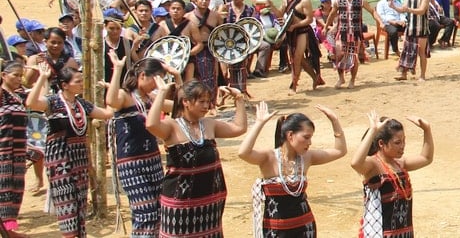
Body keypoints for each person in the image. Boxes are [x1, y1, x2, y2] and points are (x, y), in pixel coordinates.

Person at [146, 78, 247, 238]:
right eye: (201, 102)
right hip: (180, 205)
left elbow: (239, 128)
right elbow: (151, 124)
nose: (206, 106)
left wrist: (239, 99)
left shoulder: (208, 124)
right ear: (186, 102)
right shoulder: (172, 126)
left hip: (210, 203)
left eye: (208, 101)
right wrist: (162, 92)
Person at [27, 62, 115, 237]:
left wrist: (111, 85)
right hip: (60, 162)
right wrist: (42, 78)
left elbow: (108, 113)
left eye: (82, 80)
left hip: (80, 161)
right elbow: (31, 102)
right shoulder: (53, 102)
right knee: (67, 205)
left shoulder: (82, 104)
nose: (82, 84)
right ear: (64, 85)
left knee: (80, 205)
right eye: (78, 81)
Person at [238, 103, 346, 237]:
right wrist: (259, 123)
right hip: (275, 231)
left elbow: (340, 151)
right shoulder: (269, 157)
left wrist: (334, 120)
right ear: (290, 135)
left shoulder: (307, 157)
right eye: (306, 137)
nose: (310, 142)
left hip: (305, 228)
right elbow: (243, 153)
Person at [106, 54, 181, 238]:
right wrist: (117, 69)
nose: (157, 85)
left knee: (158, 210)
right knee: (145, 212)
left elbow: (179, 107)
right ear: (142, 76)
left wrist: (177, 76)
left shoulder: (151, 98)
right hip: (131, 164)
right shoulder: (125, 97)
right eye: (155, 80)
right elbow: (111, 101)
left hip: (153, 160)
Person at [353, 110, 434, 238]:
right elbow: (356, 163)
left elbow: (426, 158)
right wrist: (373, 130)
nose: (402, 146)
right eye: (397, 142)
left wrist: (427, 130)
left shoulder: (400, 163)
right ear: (381, 144)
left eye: (403, 141)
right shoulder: (374, 165)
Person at [266, 0, 324, 94]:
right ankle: (315, 77)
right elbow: (280, 14)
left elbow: (309, 19)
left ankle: (294, 84)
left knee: (296, 58)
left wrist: (295, 26)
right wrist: (272, 6)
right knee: (298, 59)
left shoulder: (305, 1)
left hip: (302, 32)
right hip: (290, 31)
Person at [0, 60, 29, 237]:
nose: (19, 78)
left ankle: (8, 229)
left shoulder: (20, 94)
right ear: (3, 75)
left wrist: (42, 76)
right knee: (2, 190)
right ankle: (7, 232)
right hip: (3, 151)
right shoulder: (2, 94)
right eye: (15, 75)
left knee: (15, 190)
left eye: (21, 75)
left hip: (18, 152)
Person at [326, 0, 364, 88]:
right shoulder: (338, 0)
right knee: (339, 54)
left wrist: (380, 21)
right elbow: (332, 14)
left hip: (355, 33)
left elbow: (372, 11)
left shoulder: (360, 0)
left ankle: (352, 80)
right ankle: (341, 78)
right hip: (342, 32)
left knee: (353, 56)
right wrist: (325, 27)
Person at [397, 0, 430, 82]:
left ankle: (423, 75)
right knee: (406, 51)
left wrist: (409, 9)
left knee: (421, 53)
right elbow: (403, 9)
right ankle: (404, 73)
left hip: (421, 28)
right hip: (410, 27)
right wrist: (394, 7)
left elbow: (421, 11)